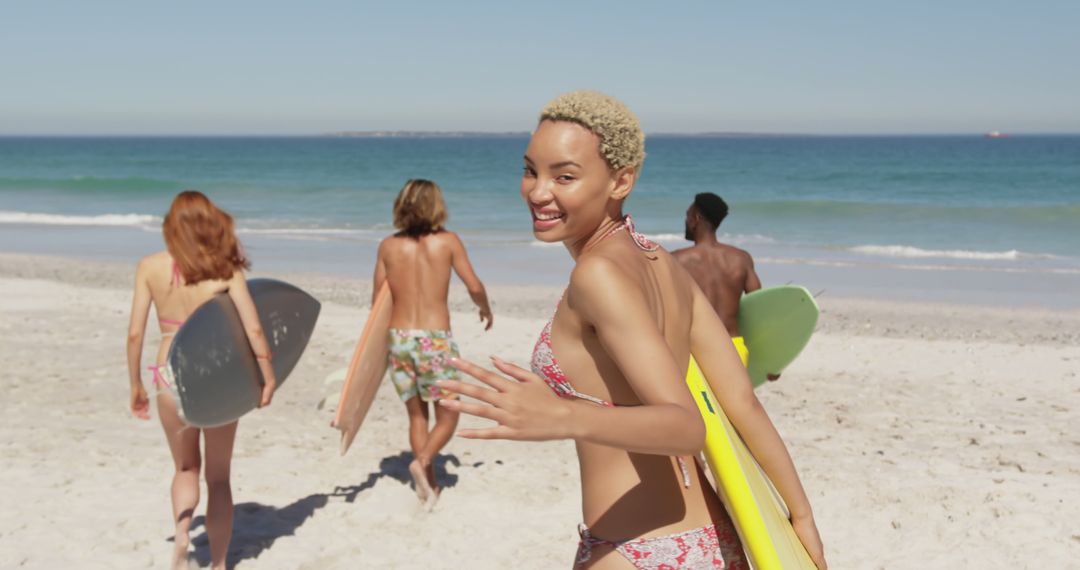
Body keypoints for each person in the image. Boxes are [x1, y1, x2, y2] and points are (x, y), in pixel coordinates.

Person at [437, 91, 826, 569]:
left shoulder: (598, 275)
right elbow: (741, 401)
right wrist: (801, 515)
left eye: (564, 176)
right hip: (712, 539)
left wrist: (563, 417)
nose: (538, 191)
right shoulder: (661, 262)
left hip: (637, 550)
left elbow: (685, 425)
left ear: (621, 180)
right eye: (530, 170)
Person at [126, 190, 277, 570]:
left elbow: (134, 333)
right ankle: (220, 563)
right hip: (216, 376)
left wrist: (136, 385)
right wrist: (268, 376)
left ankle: (181, 539)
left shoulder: (150, 266)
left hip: (167, 374)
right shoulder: (225, 269)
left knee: (184, 468)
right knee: (219, 477)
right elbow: (254, 329)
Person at [373, 178, 493, 508]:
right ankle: (423, 459)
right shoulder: (448, 242)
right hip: (434, 341)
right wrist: (484, 308)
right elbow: (474, 284)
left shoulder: (388, 246)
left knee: (417, 416)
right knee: (449, 415)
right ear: (436, 206)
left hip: (399, 338)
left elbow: (377, 304)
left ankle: (430, 485)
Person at [672, 193, 761, 368]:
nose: (685, 221)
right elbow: (759, 309)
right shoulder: (741, 259)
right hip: (732, 349)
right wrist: (772, 360)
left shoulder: (676, 261)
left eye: (687, 215)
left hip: (695, 351)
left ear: (695, 218)